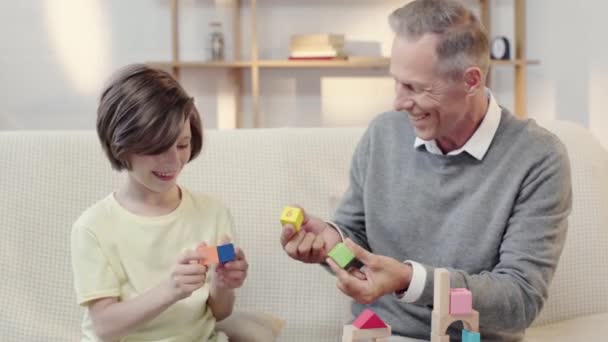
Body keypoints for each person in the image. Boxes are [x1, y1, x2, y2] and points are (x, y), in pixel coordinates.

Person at [279, 0, 572, 341]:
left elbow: (520, 299)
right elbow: (354, 240)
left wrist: (410, 279)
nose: (398, 102)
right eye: (397, 83)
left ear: (471, 81)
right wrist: (331, 242)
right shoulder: (384, 134)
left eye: (415, 88)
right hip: (378, 334)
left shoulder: (538, 157)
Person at [70, 64, 248, 342]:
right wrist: (170, 290)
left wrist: (224, 286)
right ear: (122, 146)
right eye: (157, 148)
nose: (173, 161)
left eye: (182, 144)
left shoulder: (212, 213)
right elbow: (105, 327)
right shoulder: (93, 227)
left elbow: (220, 312)